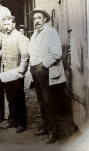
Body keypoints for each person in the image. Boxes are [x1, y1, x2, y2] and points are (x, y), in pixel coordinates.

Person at [28, 8, 66, 144]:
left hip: (46, 71)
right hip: (36, 71)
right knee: (41, 101)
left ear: (45, 19)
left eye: (39, 18)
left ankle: (54, 132)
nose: (36, 21)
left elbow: (56, 53)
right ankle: (45, 127)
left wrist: (42, 66)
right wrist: (33, 69)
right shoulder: (35, 34)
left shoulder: (50, 32)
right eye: (35, 19)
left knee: (50, 102)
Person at [0, 15, 29, 133]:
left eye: (8, 24)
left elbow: (24, 55)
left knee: (19, 99)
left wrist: (21, 71)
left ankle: (22, 124)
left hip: (16, 72)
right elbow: (3, 50)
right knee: (10, 98)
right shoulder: (5, 36)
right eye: (5, 24)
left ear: (14, 24)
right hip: (6, 72)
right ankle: (12, 121)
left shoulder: (20, 37)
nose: (6, 27)